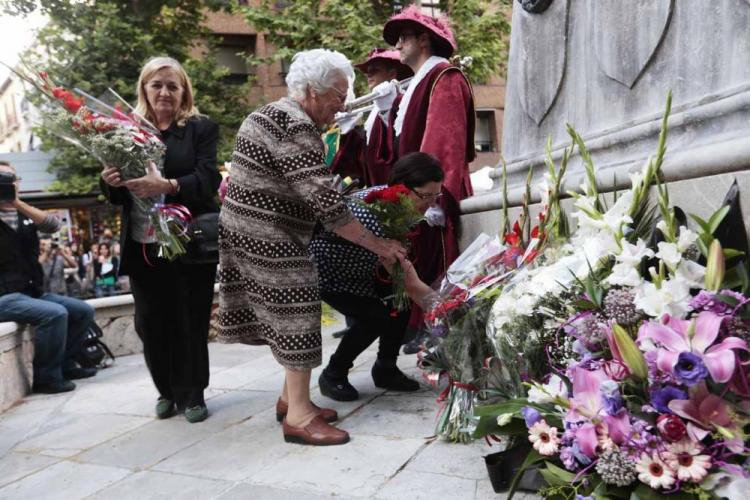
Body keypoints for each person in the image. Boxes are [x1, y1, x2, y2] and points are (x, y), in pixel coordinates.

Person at [218, 48, 406, 446]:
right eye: (338, 95)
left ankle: (292, 399)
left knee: (289, 312)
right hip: (266, 233)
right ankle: (300, 417)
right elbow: (327, 205)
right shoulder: (294, 124)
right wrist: (380, 246)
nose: (342, 106)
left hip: (250, 228)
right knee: (297, 309)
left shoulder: (271, 113)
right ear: (310, 90)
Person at [100, 56, 220, 423]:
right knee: (150, 323)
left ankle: (193, 392)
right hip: (142, 243)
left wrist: (168, 186)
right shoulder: (123, 130)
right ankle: (166, 390)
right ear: (144, 89)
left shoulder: (200, 128)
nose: (165, 92)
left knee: (190, 319)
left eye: (173, 85)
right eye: (157, 85)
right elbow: (115, 194)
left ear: (184, 91)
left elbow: (208, 180)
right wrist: (109, 181)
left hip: (188, 242)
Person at [311, 152, 443, 401]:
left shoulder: (397, 205)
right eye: (426, 196)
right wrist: (447, 314)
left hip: (364, 269)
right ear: (403, 188)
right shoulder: (373, 213)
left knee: (399, 301)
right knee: (374, 317)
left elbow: (406, 282)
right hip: (330, 272)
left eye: (436, 195)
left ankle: (386, 368)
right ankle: (334, 373)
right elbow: (413, 285)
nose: (431, 203)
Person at [382, 5, 476, 350]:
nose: (399, 45)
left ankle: (443, 337)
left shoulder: (444, 77)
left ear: (424, 39)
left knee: (438, 269)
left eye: (404, 37)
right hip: (415, 196)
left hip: (429, 195)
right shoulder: (418, 85)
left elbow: (444, 140)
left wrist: (431, 198)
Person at [0, 161, 97, 394]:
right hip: (4, 295)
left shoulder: (26, 214)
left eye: (10, 178)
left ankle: (64, 364)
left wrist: (16, 202)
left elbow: (53, 226)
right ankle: (46, 377)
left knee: (82, 310)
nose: (7, 183)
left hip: (31, 292)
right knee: (54, 314)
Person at [328, 48, 413, 186]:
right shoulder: (376, 107)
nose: (368, 74)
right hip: (376, 183)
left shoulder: (403, 102)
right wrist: (349, 131)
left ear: (392, 74)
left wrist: (386, 112)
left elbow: (398, 143)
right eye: (367, 71)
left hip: (397, 183)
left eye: (375, 70)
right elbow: (367, 151)